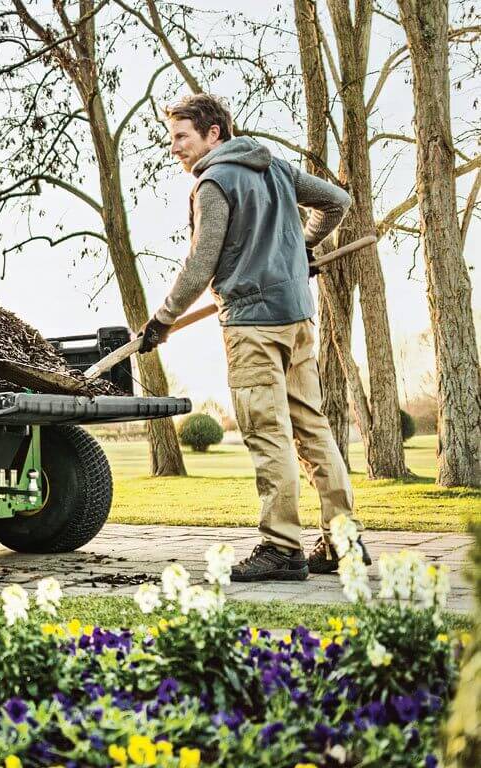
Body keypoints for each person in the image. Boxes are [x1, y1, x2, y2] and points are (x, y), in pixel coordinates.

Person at [140, 93, 369, 582]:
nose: (174, 148)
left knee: (268, 431)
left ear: (213, 134)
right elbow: (338, 201)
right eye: (173, 138)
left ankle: (282, 547)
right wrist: (301, 246)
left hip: (252, 325)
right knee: (313, 428)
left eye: (182, 136)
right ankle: (343, 540)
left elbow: (201, 263)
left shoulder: (214, 182)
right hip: (297, 318)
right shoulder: (278, 168)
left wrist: (162, 319)